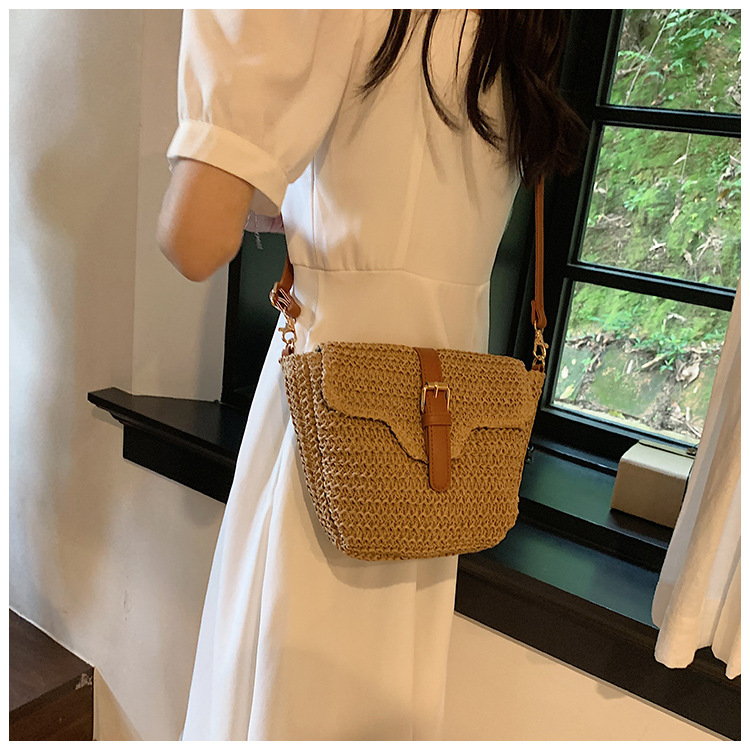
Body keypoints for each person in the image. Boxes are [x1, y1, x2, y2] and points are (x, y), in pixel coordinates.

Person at [157, 9, 584, 741]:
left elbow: (193, 239)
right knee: (377, 700)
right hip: (440, 455)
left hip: (333, 427)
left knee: (289, 690)